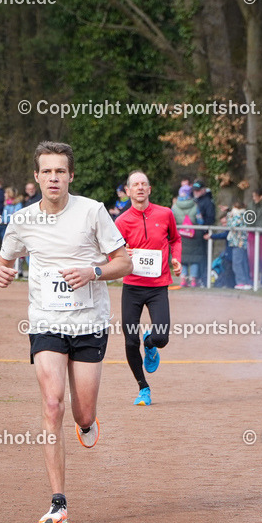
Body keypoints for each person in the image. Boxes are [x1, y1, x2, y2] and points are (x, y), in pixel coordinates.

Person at [0, 141, 132, 523]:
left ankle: (87, 423)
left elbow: (125, 261)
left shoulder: (92, 212)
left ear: (70, 176)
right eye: (46, 171)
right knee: (53, 405)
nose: (53, 178)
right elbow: (4, 262)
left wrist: (93, 272)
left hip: (89, 324)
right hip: (46, 323)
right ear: (36, 177)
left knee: (82, 411)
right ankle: (58, 503)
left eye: (60, 171)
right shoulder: (21, 221)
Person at [113, 171, 180, 406]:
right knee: (130, 341)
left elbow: (175, 239)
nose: (140, 188)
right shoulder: (121, 221)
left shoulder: (165, 214)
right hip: (132, 287)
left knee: (162, 336)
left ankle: (150, 343)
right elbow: (112, 251)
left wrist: (176, 259)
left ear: (149, 189)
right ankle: (143, 388)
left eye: (144, 184)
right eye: (135, 185)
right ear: (128, 191)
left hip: (158, 286)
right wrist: (123, 254)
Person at [172, 186, 202, 287]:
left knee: (182, 257)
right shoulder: (195, 205)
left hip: (180, 235)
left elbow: (171, 220)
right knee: (194, 258)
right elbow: (200, 221)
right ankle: (193, 280)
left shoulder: (175, 206)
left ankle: (183, 279)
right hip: (194, 235)